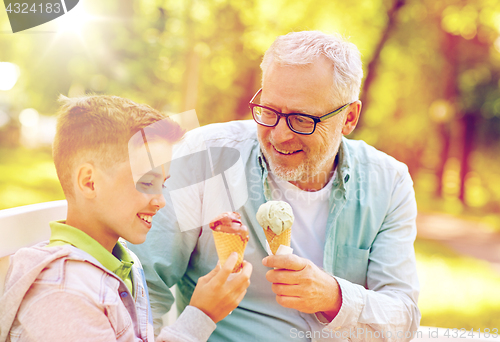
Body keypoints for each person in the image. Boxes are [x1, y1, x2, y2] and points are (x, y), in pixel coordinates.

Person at [130, 31, 420, 341]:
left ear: (349, 118)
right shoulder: (206, 157)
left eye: (302, 119)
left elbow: (403, 316)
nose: (279, 136)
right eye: (269, 111)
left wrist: (335, 298)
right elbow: (144, 288)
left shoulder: (388, 182)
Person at [0, 95, 252, 342]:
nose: (161, 200)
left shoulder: (122, 261)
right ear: (89, 182)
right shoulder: (62, 295)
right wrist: (201, 315)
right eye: (147, 181)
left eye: (162, 184)